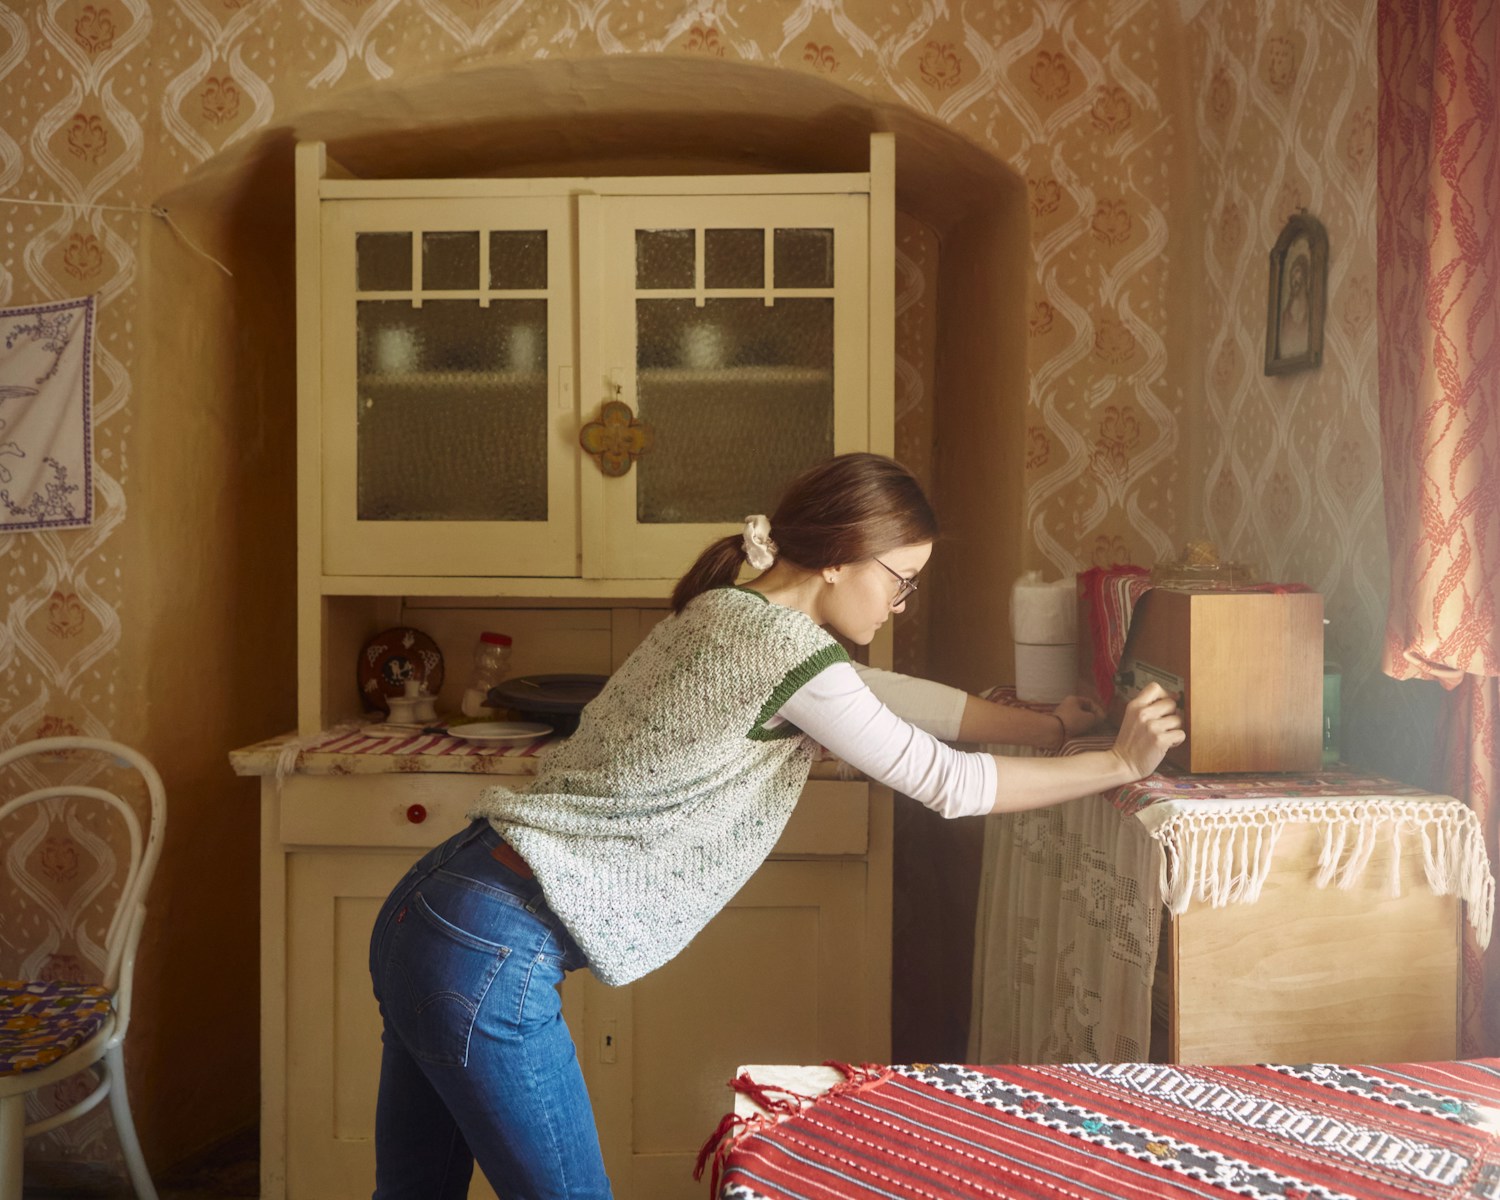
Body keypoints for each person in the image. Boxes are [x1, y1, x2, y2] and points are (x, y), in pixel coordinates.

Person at [368, 452, 1184, 1200]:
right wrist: (1118, 763)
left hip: (437, 911)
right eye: (900, 580)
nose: (902, 601)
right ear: (840, 554)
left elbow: (891, 698)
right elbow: (947, 781)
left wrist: (1045, 728)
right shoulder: (786, 653)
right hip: (489, 949)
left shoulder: (732, 612)